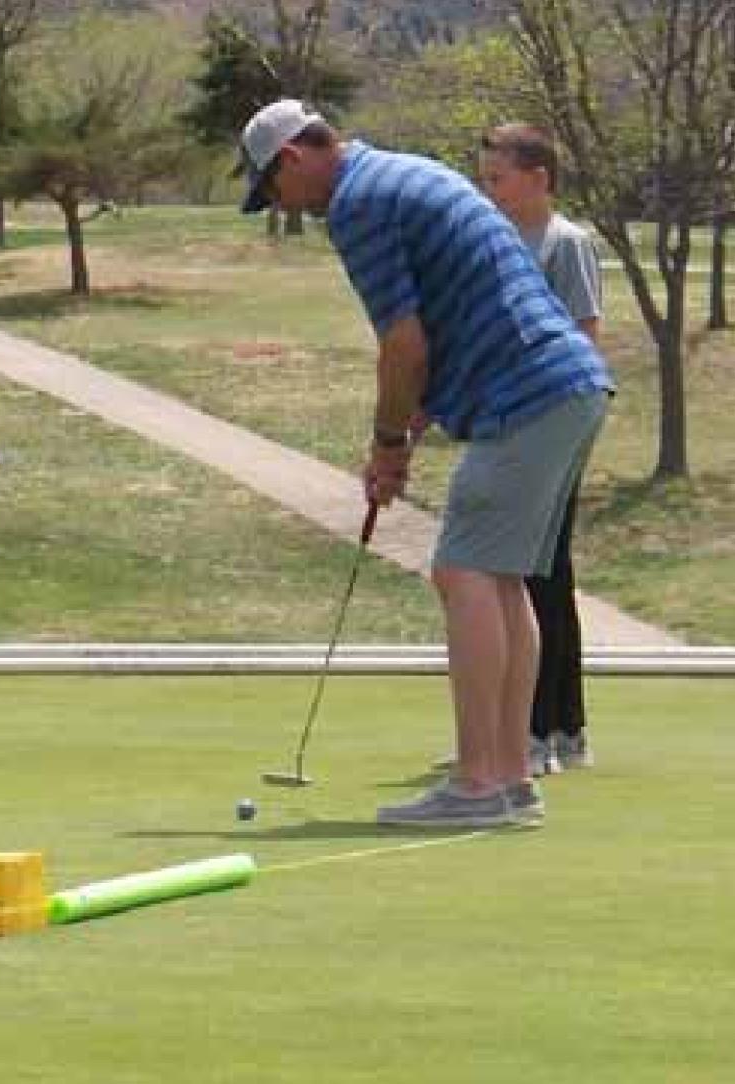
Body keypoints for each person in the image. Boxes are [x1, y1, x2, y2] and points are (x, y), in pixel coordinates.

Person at [238, 100, 614, 827]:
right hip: (563, 386)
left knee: (463, 570)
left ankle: (478, 785)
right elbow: (446, 327)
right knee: (500, 579)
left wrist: (386, 445)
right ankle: (510, 779)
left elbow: (404, 346)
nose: (280, 205)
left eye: (271, 190)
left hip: (528, 393)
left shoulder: (359, 205)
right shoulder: (402, 173)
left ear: (293, 158)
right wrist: (403, 435)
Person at [477, 123, 604, 777]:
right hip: (508, 422)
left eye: (498, 177)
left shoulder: (566, 242)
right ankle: (548, 727)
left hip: (554, 420)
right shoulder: (496, 238)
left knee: (542, 573)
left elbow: (584, 333)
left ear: (539, 177)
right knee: (531, 572)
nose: (489, 188)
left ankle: (546, 729)